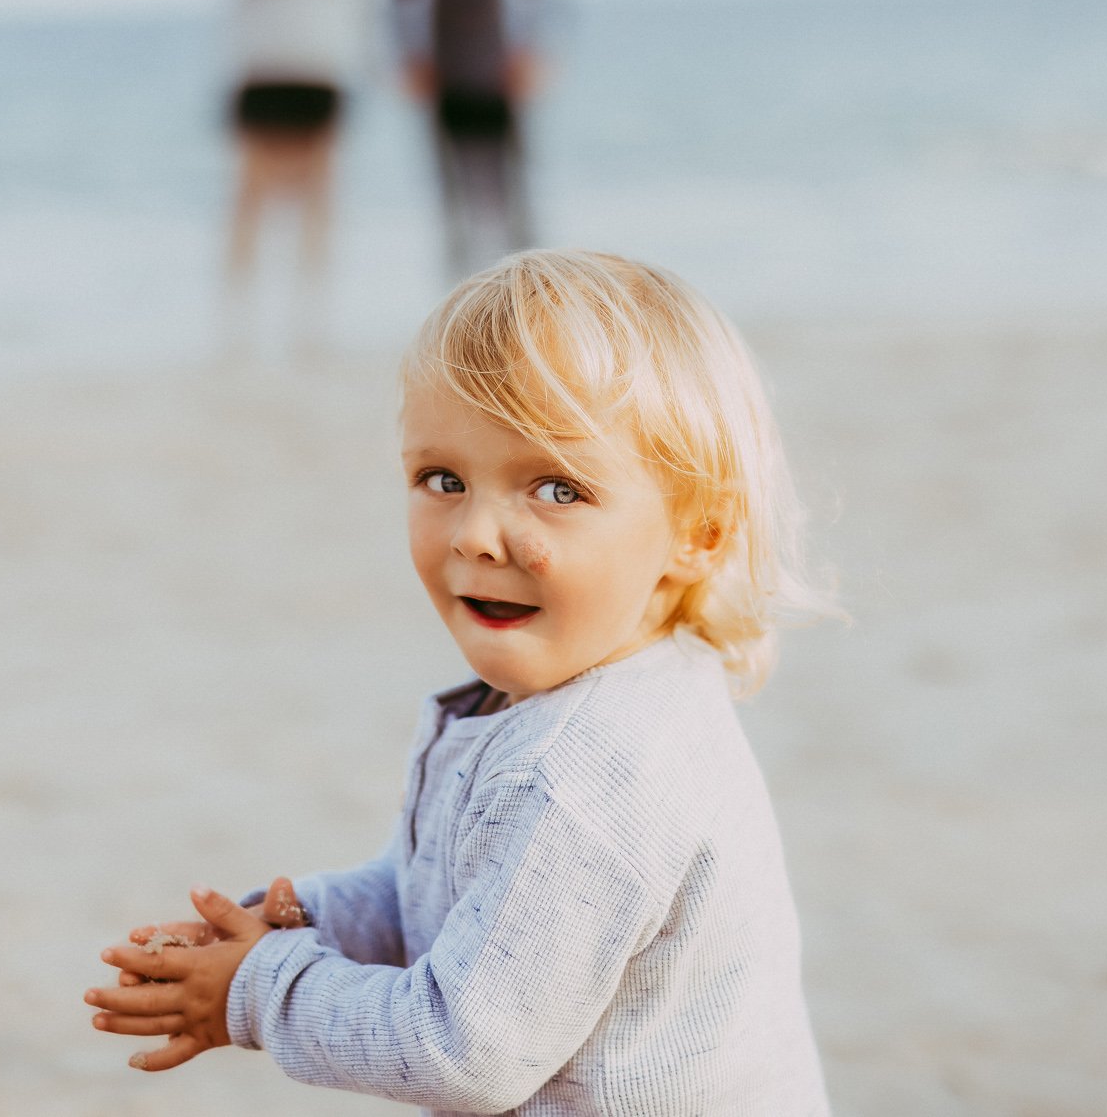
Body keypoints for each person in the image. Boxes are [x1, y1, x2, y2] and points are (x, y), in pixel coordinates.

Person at [85, 250, 833, 1114]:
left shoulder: (579, 777)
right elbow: (460, 895)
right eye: (444, 479)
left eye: (556, 488)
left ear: (698, 531)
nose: (477, 533)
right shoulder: (623, 686)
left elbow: (462, 1048)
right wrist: (304, 924)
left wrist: (257, 989)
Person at [220, 0, 359, 351]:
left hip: (320, 47)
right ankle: (236, 322)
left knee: (320, 188)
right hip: (261, 48)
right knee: (249, 190)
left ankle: (312, 319)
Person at [394, 0, 543, 283]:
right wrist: (410, 60)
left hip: (498, 76)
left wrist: (530, 56)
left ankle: (525, 292)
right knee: (453, 194)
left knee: (511, 191)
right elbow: (400, 4)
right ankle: (460, 295)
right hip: (447, 76)